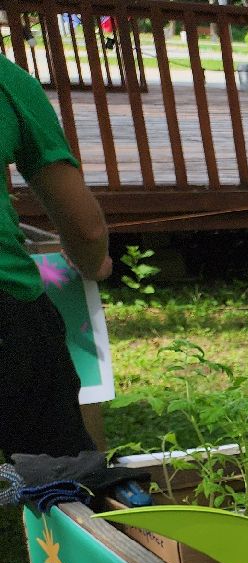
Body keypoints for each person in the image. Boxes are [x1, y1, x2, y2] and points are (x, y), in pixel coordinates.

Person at [1, 55, 111, 460]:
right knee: (59, 471)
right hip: (7, 303)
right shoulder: (8, 81)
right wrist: (91, 262)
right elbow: (86, 229)